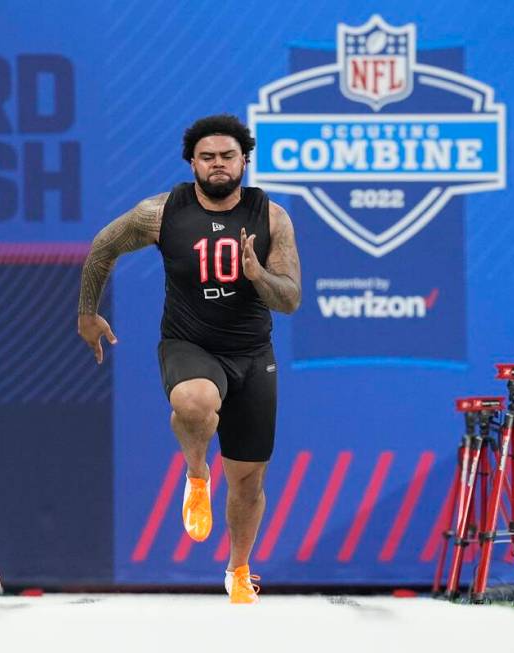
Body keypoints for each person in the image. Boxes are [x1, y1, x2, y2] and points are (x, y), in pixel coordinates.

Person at [77, 114, 301, 604]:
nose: (217, 165)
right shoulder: (160, 213)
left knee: (248, 481)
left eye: (227, 156)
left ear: (244, 160)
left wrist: (258, 274)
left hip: (251, 354)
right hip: (189, 344)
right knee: (195, 401)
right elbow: (102, 248)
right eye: (207, 157)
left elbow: (290, 299)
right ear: (191, 163)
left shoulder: (272, 217)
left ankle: (239, 570)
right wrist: (87, 313)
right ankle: (197, 474)